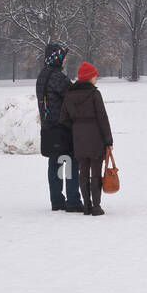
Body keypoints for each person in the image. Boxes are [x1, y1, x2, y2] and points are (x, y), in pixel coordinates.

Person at [60, 61, 114, 216]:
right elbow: (103, 118)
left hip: (79, 138)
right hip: (96, 137)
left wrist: (76, 126)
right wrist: (108, 140)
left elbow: (63, 118)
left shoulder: (69, 95)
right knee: (96, 172)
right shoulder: (94, 94)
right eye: (95, 76)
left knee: (82, 172)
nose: (96, 78)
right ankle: (96, 206)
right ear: (90, 78)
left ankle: (86, 206)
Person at [37, 42, 82, 212]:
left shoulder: (42, 76)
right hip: (62, 127)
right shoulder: (57, 77)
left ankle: (56, 200)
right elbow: (72, 95)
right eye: (63, 57)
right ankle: (73, 201)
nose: (64, 60)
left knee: (55, 163)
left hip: (48, 127)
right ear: (56, 58)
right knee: (70, 162)